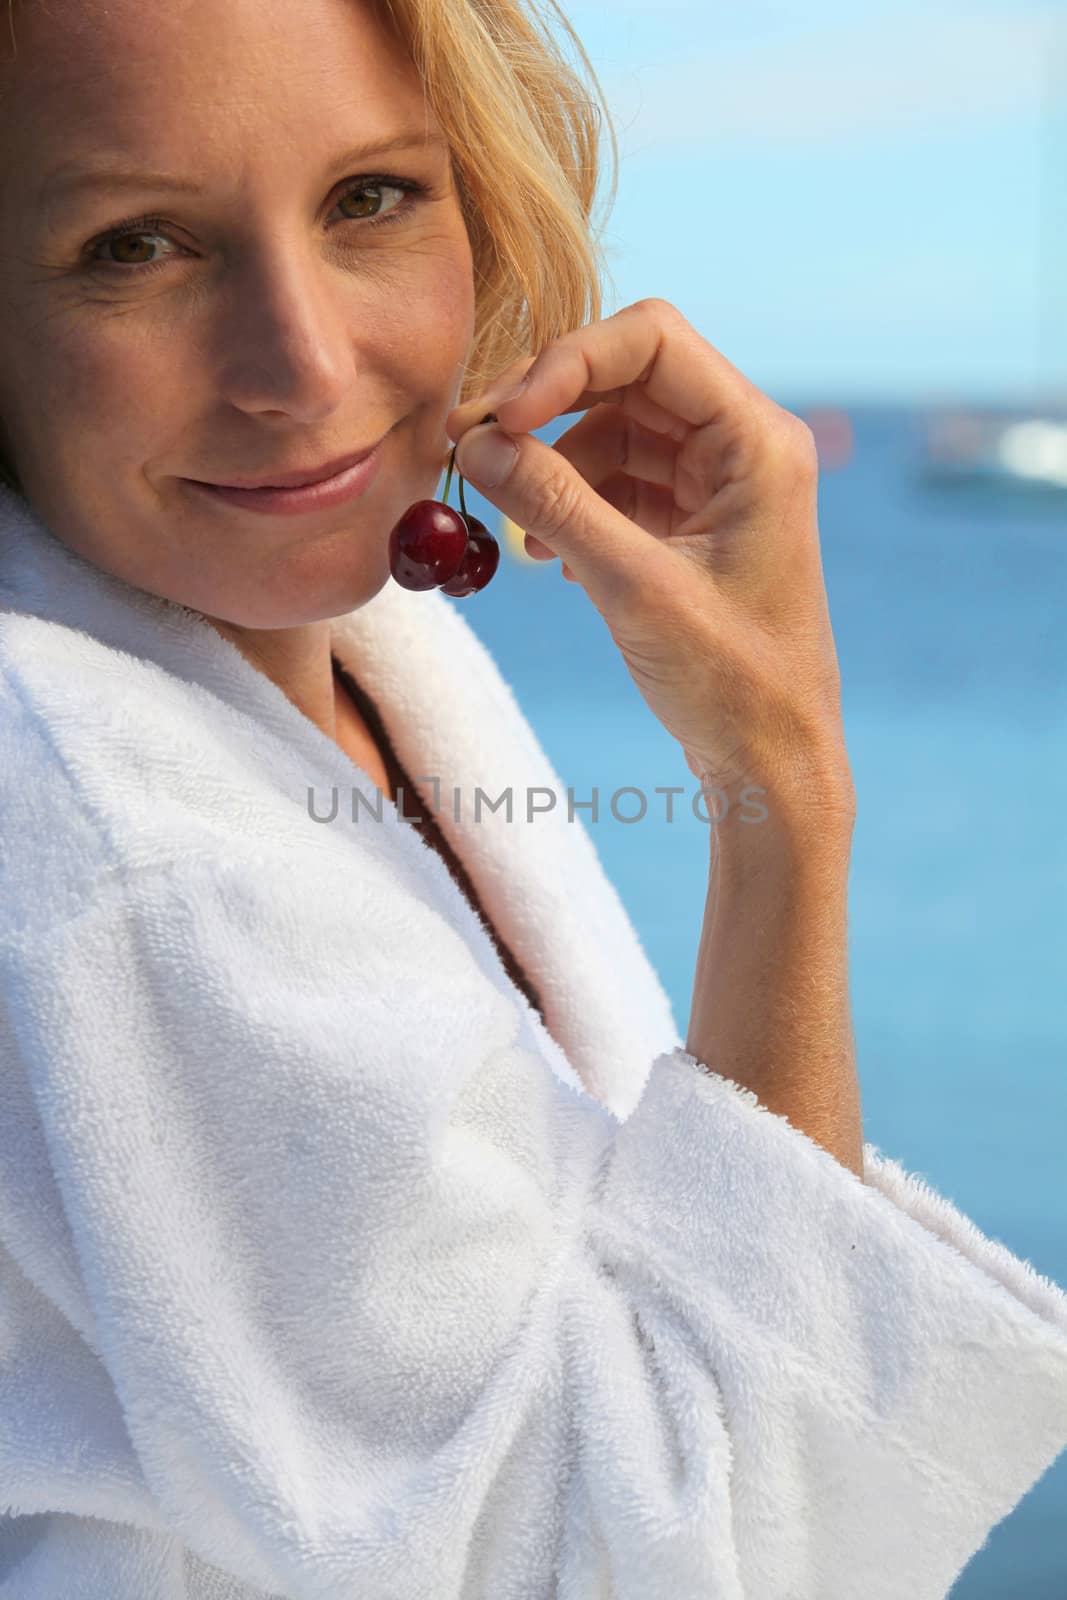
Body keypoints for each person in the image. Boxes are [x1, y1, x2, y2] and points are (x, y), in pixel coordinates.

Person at [0, 0, 1065, 1595]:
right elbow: (684, 1563)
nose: (302, 361)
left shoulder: (341, 647)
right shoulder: (105, 838)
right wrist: (781, 782)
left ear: (481, 207)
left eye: (369, 198)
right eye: (137, 245)